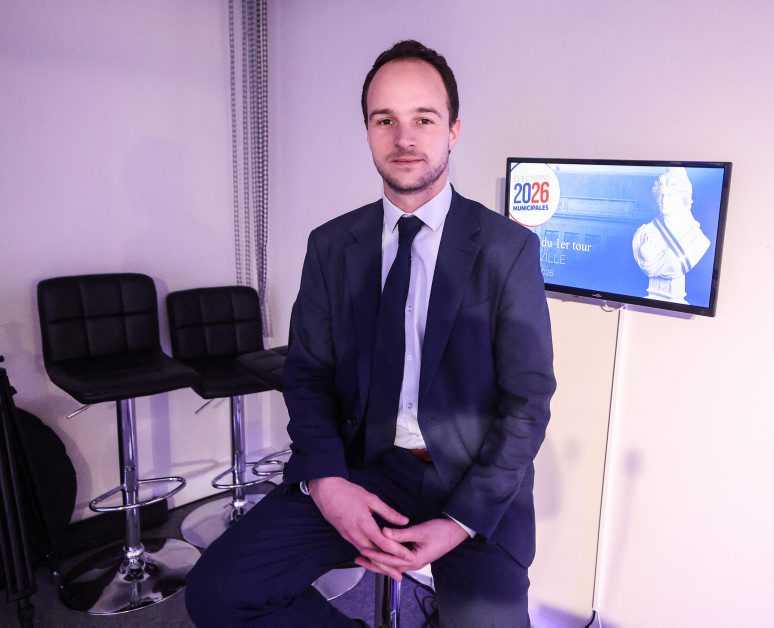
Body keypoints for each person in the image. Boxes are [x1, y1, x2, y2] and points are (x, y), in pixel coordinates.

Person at [185, 40, 556, 627]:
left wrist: (459, 521)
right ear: (368, 132)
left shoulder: (507, 249)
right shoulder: (332, 245)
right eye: (385, 120)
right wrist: (327, 480)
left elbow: (527, 403)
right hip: (361, 466)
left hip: (473, 481)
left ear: (453, 130)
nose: (404, 138)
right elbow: (308, 374)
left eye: (423, 119)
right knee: (218, 593)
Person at [632, 167, 710, 304]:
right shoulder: (643, 233)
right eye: (661, 195)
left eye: (670, 196)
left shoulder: (697, 239)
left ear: (682, 199)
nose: (664, 200)